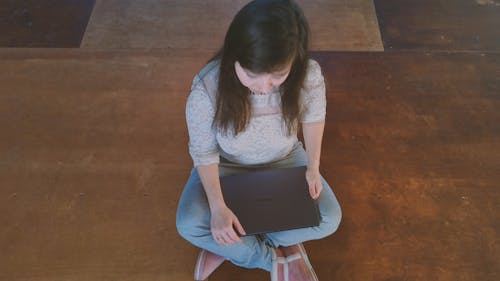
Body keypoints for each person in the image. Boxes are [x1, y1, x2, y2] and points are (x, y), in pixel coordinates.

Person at [176, 0, 342, 280]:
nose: (264, 89)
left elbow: (314, 117)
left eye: (278, 76)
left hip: (285, 160)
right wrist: (217, 208)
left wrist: (313, 166)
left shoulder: (308, 74)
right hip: (227, 166)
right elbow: (203, 152)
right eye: (252, 75)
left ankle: (230, 245)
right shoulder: (207, 87)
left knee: (329, 218)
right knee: (189, 223)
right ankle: (274, 260)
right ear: (234, 58)